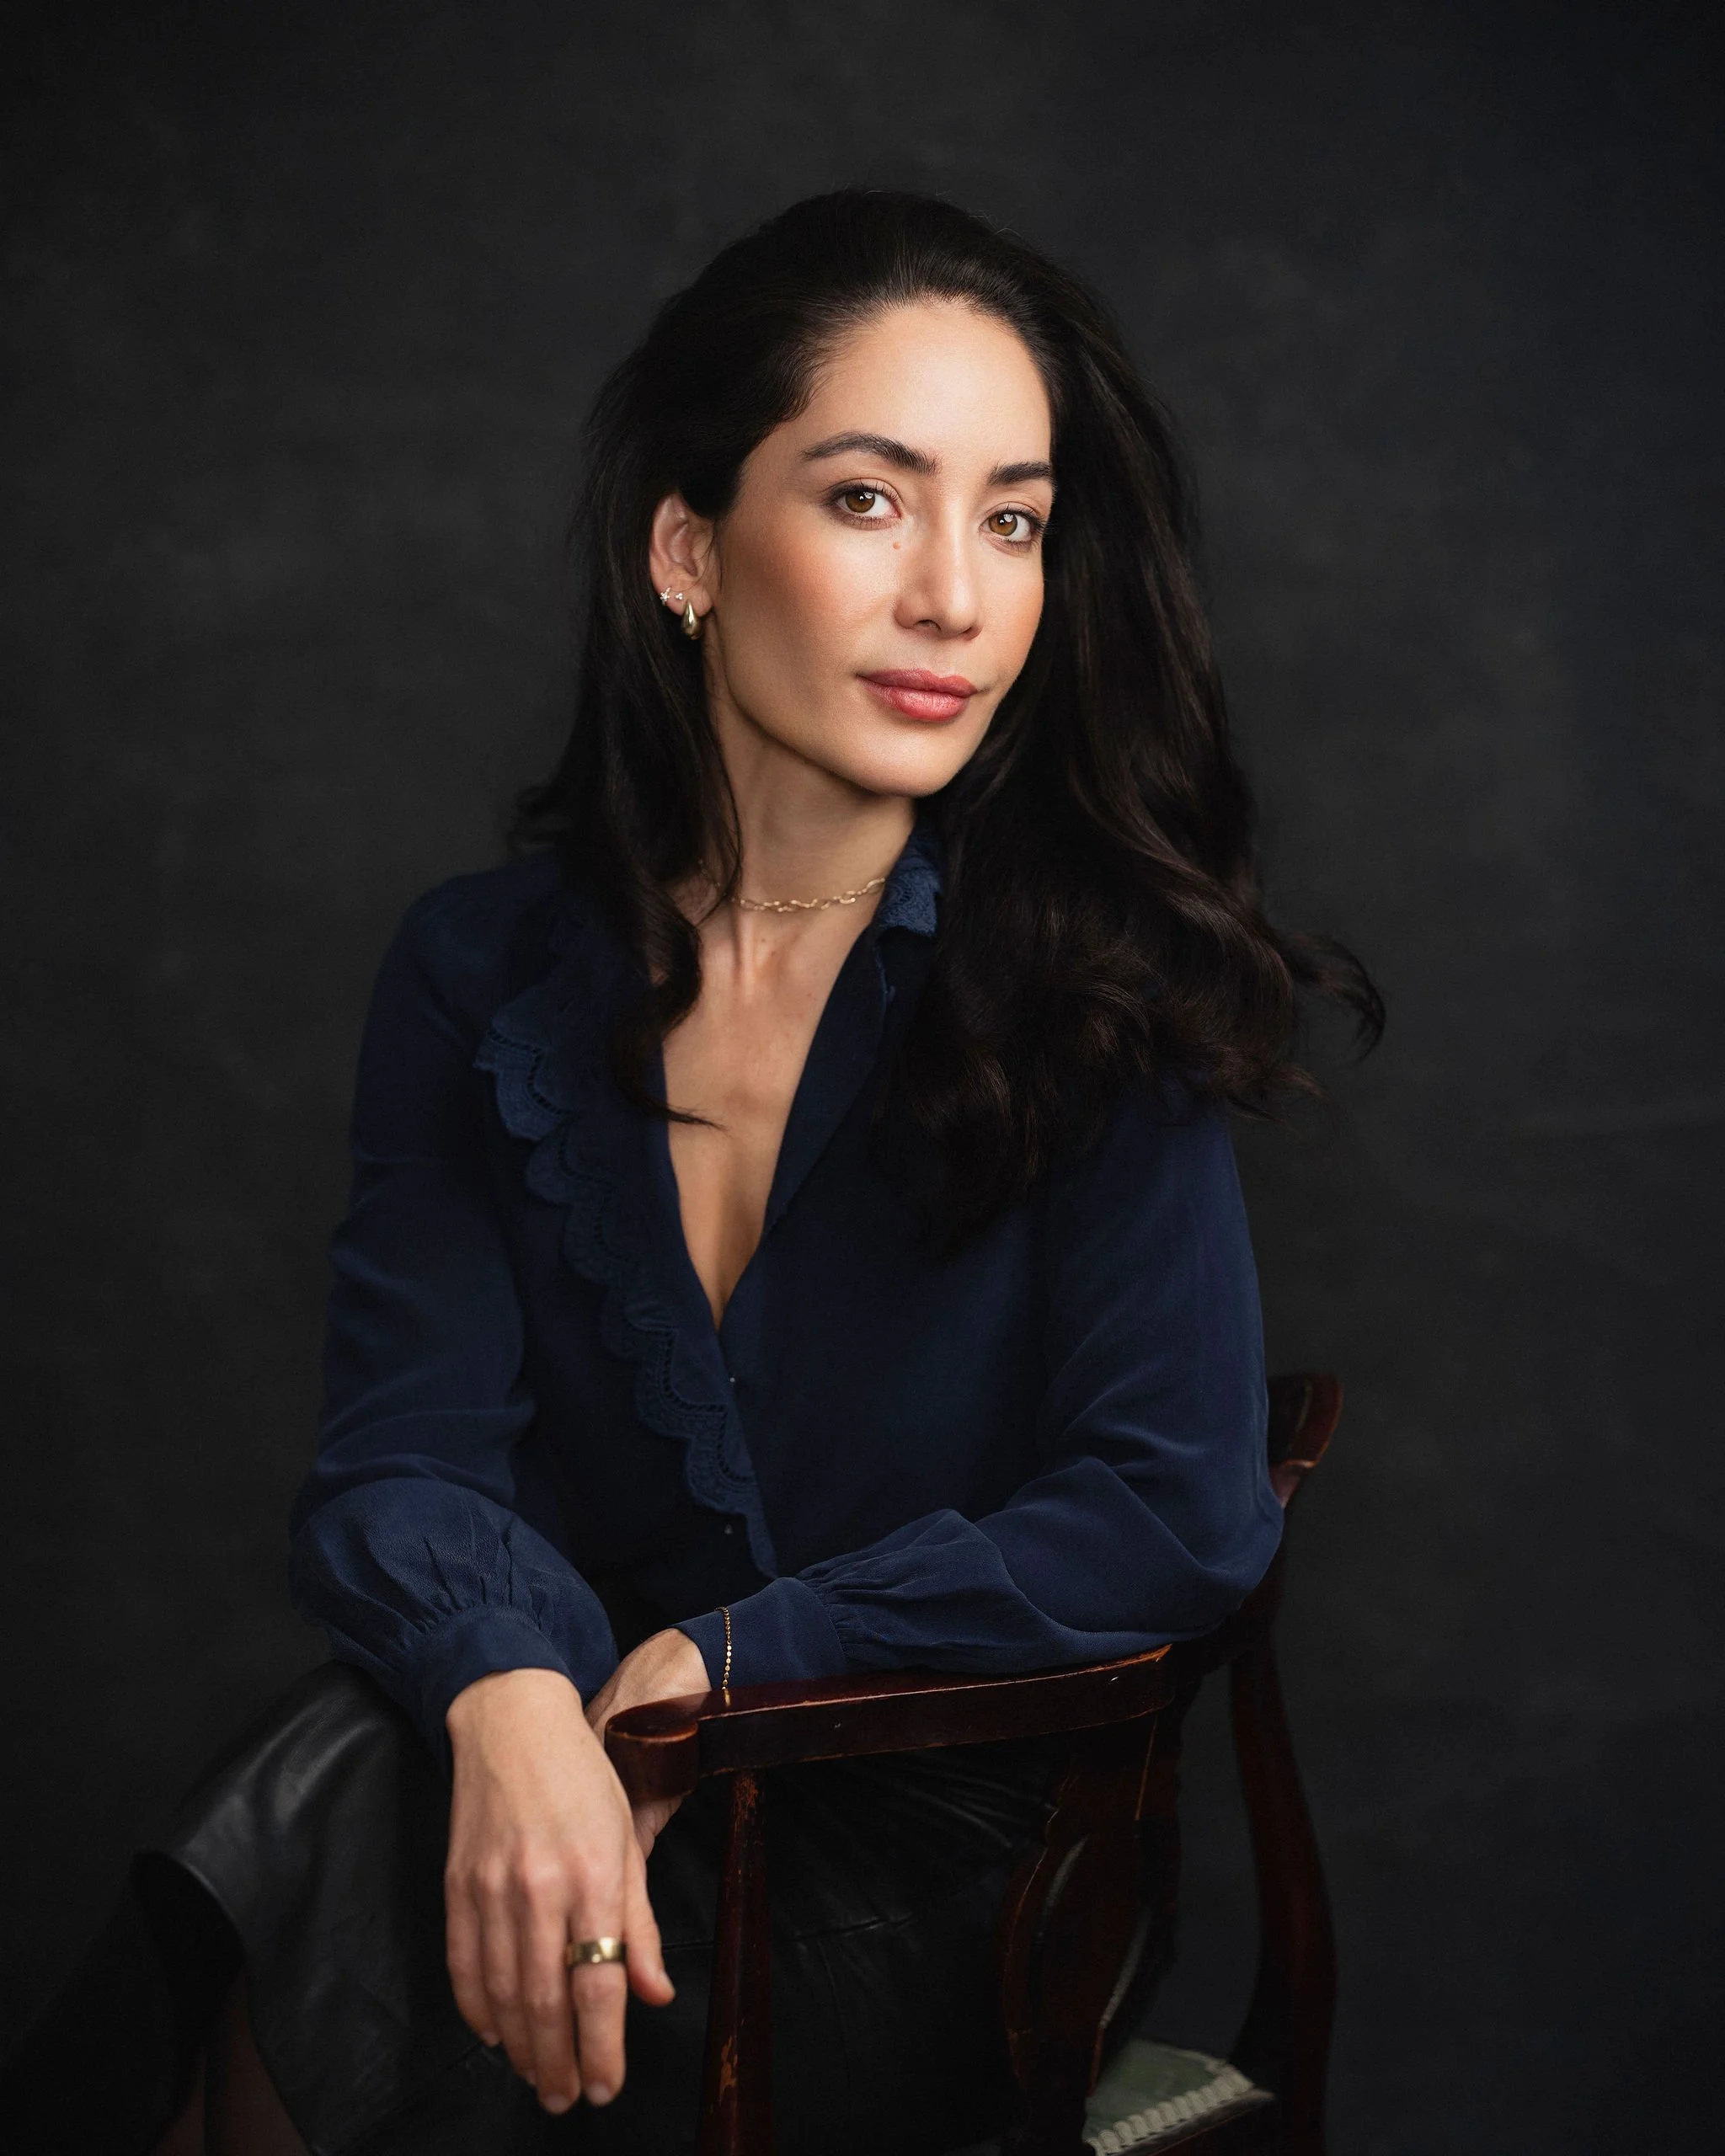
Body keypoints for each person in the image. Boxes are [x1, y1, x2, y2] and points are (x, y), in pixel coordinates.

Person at [1, 189, 1379, 2156]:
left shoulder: (1095, 979)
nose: (956, 598)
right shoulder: (479, 973)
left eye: (1010, 517)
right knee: (373, 1780)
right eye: (867, 499)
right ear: (685, 547)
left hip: (930, 1859)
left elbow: (1172, 1506)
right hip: (561, 1803)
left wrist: (719, 1670)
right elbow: (398, 1456)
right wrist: (510, 1706)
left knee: (328, 1820)